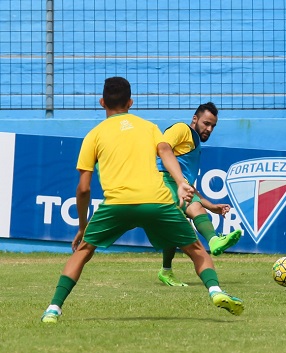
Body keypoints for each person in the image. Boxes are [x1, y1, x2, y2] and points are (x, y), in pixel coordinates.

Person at [40, 77, 244, 323]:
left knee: (83, 251)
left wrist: (83, 227)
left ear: (102, 102)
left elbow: (83, 189)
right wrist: (181, 182)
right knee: (196, 249)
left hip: (117, 204)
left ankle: (53, 309)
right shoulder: (148, 127)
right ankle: (215, 291)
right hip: (156, 200)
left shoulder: (94, 135)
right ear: (131, 102)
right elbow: (166, 151)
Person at [156, 102, 242, 287]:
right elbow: (162, 147)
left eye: (213, 126)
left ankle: (212, 242)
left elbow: (188, 185)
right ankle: (169, 269)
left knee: (193, 213)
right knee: (181, 220)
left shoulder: (193, 145)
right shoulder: (181, 129)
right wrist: (179, 181)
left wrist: (210, 205)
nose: (209, 129)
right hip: (163, 180)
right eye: (206, 123)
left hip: (178, 184)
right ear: (195, 119)